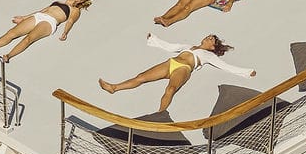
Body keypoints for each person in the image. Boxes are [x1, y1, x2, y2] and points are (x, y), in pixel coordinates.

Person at [99, 33, 256, 111]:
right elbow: (171, 46)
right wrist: (153, 39)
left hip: (183, 69)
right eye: (208, 36)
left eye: (211, 39)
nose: (207, 38)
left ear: (212, 47)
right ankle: (114, 88)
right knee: (141, 77)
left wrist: (246, 72)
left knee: (170, 89)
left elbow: (225, 66)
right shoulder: (188, 46)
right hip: (171, 63)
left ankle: (160, 113)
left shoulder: (208, 55)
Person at [0, 0, 81, 59]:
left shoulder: (75, 10)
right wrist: (24, 18)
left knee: (28, 39)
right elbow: (42, 10)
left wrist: (65, 32)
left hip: (50, 21)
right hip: (39, 16)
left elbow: (70, 21)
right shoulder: (58, 2)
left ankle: (9, 55)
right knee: (12, 32)